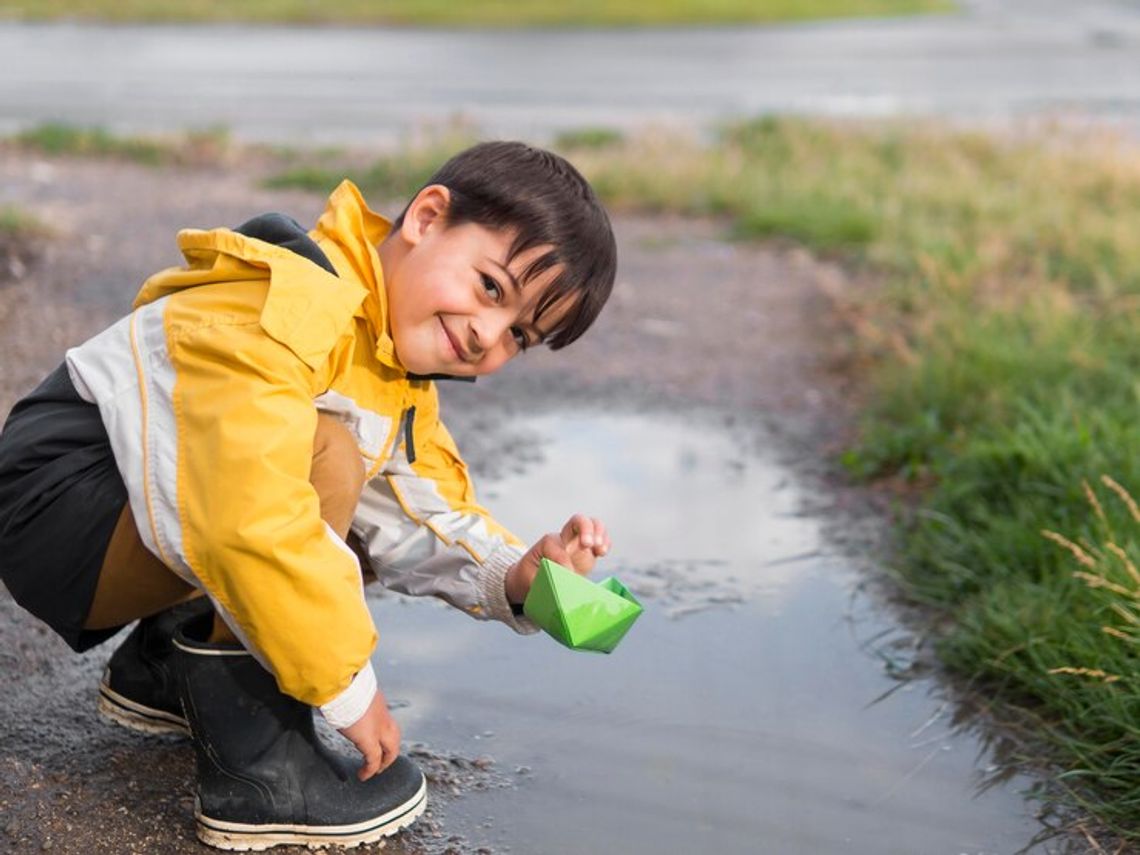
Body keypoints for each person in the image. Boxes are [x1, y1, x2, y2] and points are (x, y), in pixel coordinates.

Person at [0, 141, 617, 850]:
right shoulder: (288, 306)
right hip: (53, 510)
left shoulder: (384, 361)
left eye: (520, 334)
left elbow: (422, 510)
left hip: (128, 507)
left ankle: (167, 668)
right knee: (319, 456)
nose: (488, 335)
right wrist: (347, 688)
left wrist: (518, 578)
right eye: (490, 287)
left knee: (347, 486)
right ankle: (260, 769)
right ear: (426, 216)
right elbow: (246, 517)